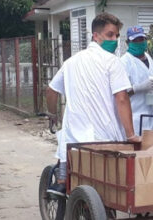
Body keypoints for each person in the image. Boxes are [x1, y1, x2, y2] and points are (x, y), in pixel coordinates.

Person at [45, 13, 140, 196]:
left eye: (116, 36)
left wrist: (53, 115)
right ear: (95, 36)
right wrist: (130, 135)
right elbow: (122, 98)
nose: (115, 40)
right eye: (110, 35)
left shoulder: (71, 62)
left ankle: (62, 181)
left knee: (64, 138)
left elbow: (51, 91)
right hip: (104, 141)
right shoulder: (112, 62)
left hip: (75, 141)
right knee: (108, 189)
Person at [120, 25, 153, 135]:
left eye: (141, 39)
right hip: (136, 117)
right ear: (127, 43)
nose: (139, 43)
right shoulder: (124, 62)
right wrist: (139, 88)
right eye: (135, 40)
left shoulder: (149, 58)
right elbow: (121, 94)